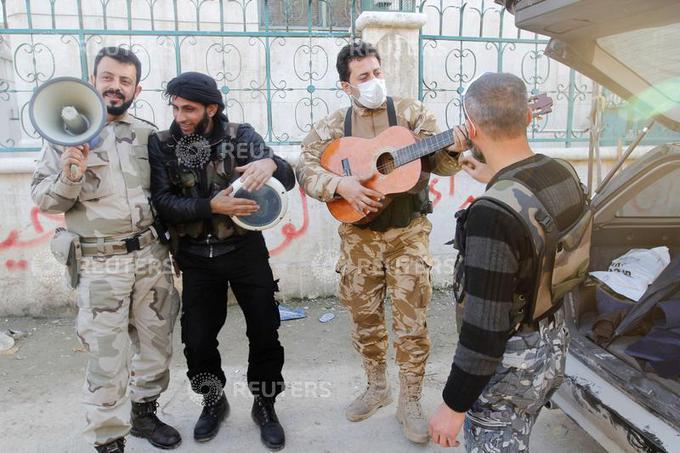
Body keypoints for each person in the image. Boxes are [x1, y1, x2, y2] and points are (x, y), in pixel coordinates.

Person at [296, 40, 467, 444]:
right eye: (363, 77)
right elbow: (303, 167)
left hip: (408, 232)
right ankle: (377, 386)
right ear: (346, 86)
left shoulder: (410, 114)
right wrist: (340, 184)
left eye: (377, 72)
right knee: (364, 317)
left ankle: (409, 399)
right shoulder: (334, 126)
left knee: (411, 321)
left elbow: (439, 163)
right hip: (358, 238)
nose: (374, 82)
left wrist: (457, 147)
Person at [31, 47, 181, 453]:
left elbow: (168, 194)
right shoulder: (63, 137)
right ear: (93, 81)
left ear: (136, 88)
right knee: (106, 357)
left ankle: (144, 413)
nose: (116, 87)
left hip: (151, 258)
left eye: (125, 81)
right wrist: (69, 172)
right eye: (108, 78)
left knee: (157, 343)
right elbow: (46, 201)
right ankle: (108, 437)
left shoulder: (149, 134)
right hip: (100, 266)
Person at [428, 72, 588, 451]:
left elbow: (485, 330)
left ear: (470, 128)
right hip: (554, 346)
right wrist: (495, 178)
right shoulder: (562, 172)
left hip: (508, 372)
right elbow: (539, 227)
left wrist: (453, 406)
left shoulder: (491, 215)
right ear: (528, 117)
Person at [148, 71, 295, 450]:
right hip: (196, 258)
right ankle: (212, 400)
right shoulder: (163, 144)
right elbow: (162, 202)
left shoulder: (240, 137)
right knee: (197, 341)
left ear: (211, 108)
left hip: (245, 252)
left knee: (264, 330)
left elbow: (288, 178)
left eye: (190, 109)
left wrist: (273, 164)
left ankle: (265, 404)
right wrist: (209, 205)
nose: (180, 116)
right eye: (176, 107)